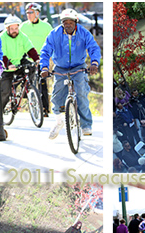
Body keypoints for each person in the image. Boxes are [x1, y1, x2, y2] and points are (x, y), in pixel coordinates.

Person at [40, 8, 101, 138]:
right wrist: (44, 68)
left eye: (71, 23)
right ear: (62, 23)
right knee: (56, 97)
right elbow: (45, 51)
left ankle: (85, 125)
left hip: (78, 67)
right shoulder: (54, 34)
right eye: (65, 23)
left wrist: (94, 63)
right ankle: (59, 122)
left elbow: (93, 47)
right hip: (60, 68)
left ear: (76, 22)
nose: (68, 25)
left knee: (81, 93)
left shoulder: (83, 33)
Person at [0, 15, 39, 110]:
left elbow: (30, 48)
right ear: (7, 29)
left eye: (16, 28)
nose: (14, 31)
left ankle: (27, 89)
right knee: (5, 92)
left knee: (32, 67)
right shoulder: (2, 37)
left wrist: (37, 59)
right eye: (12, 28)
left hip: (18, 61)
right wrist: (8, 65)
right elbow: (1, 54)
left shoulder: (22, 36)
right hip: (6, 65)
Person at [20, 3, 53, 116]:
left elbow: (52, 41)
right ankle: (25, 102)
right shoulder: (23, 26)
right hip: (27, 58)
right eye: (27, 12)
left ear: (37, 13)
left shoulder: (46, 26)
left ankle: (45, 108)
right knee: (24, 80)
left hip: (42, 57)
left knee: (42, 82)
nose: (28, 15)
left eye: (31, 12)